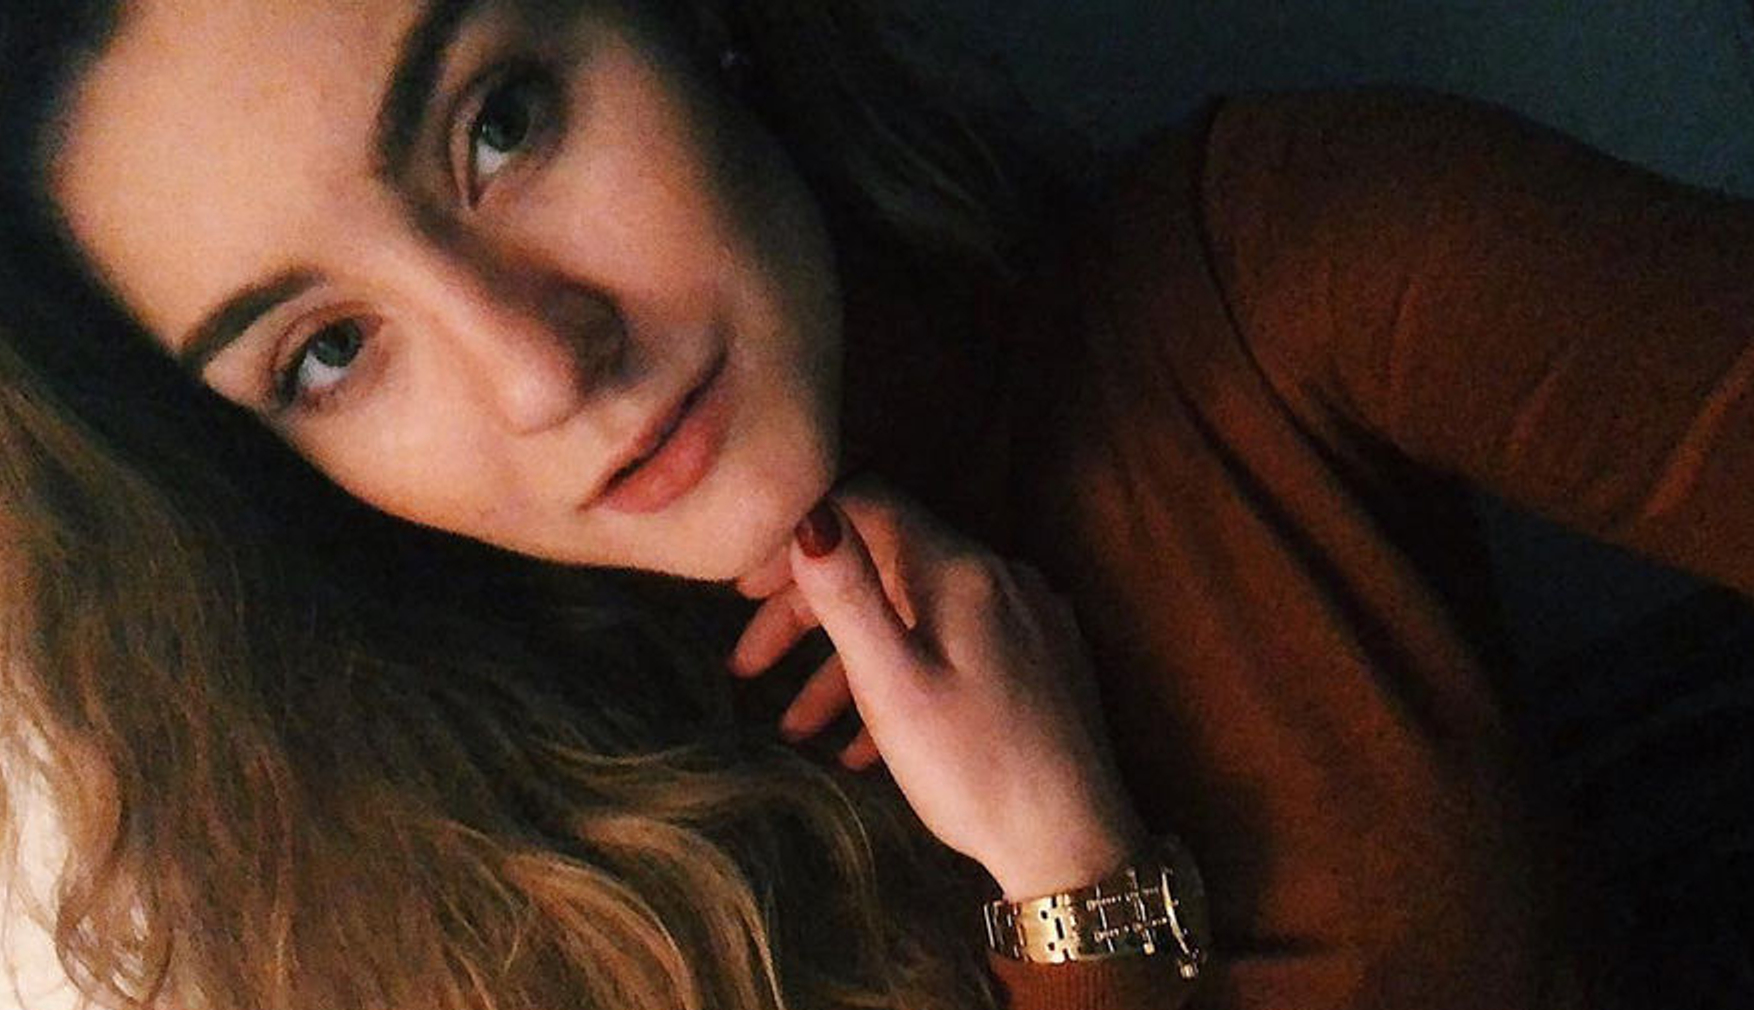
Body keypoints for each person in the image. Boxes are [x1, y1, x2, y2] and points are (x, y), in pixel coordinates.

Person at [3, 0, 1752, 1009]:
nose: (538, 368)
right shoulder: (441, 895)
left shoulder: (1277, 281)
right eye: (325, 353)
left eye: (503, 122)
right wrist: (1066, 871)